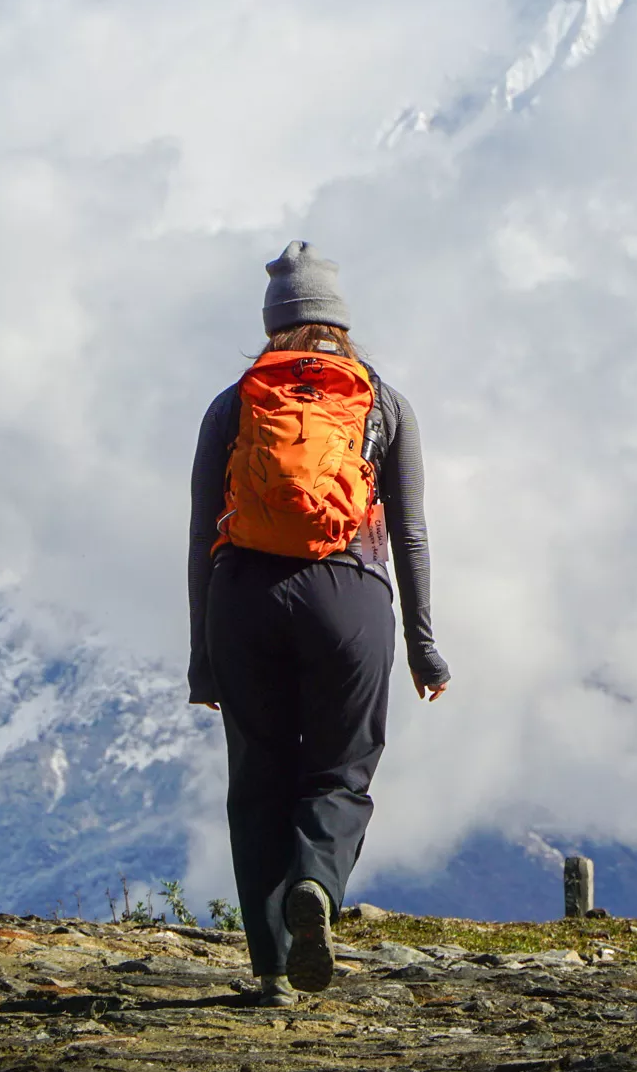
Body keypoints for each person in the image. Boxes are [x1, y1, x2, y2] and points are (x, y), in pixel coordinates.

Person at [187, 242, 450, 1006]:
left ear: (273, 323)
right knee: (340, 769)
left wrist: (203, 655)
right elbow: (411, 534)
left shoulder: (235, 403)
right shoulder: (382, 403)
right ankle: (316, 882)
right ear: (339, 320)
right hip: (350, 598)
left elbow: (203, 529)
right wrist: (424, 648)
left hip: (243, 598)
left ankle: (271, 972)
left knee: (258, 778)